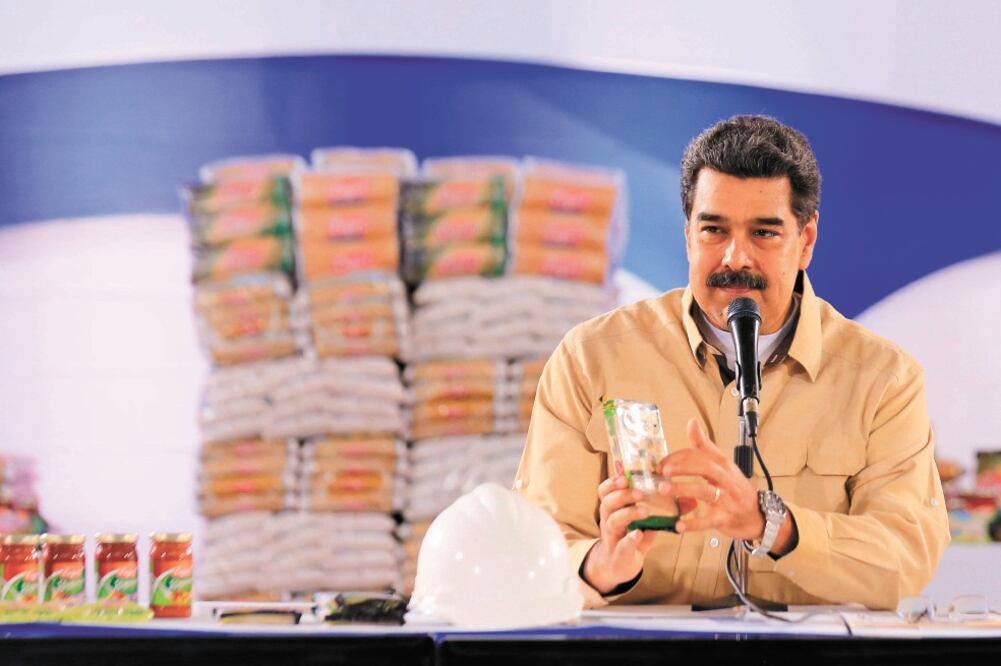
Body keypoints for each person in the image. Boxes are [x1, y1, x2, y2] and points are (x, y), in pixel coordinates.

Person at [515, 115, 949, 610]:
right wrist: (599, 567)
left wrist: (776, 527)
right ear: (687, 236)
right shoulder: (592, 358)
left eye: (764, 232)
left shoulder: (884, 380)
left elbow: (907, 558)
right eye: (714, 231)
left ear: (806, 240)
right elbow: (534, 544)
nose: (735, 258)